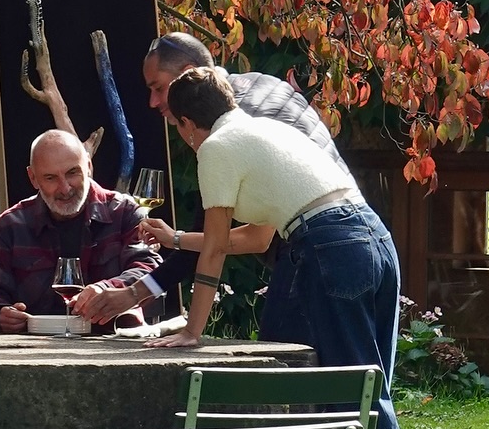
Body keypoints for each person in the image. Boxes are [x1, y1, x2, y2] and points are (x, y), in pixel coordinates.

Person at [152, 67, 440, 429]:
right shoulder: (269, 130)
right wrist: (176, 238)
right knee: (367, 401)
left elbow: (218, 246)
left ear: (186, 123)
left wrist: (193, 330)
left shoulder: (216, 148)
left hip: (328, 248)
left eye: (175, 122)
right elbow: (258, 238)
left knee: (360, 404)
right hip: (372, 238)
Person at [78, 32, 345, 323]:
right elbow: (214, 237)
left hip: (319, 254)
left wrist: (186, 328)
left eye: (158, 88)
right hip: (362, 235)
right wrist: (142, 284)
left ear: (188, 75)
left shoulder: (225, 130)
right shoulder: (259, 86)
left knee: (290, 362)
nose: (152, 102)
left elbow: (234, 242)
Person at [0, 130, 161, 332]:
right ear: (33, 178)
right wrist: (1, 313)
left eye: (72, 173)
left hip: (114, 343)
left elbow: (150, 270)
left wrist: (106, 289)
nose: (65, 188)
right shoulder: (11, 225)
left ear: (88, 166)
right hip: (35, 350)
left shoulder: (125, 212)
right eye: (51, 178)